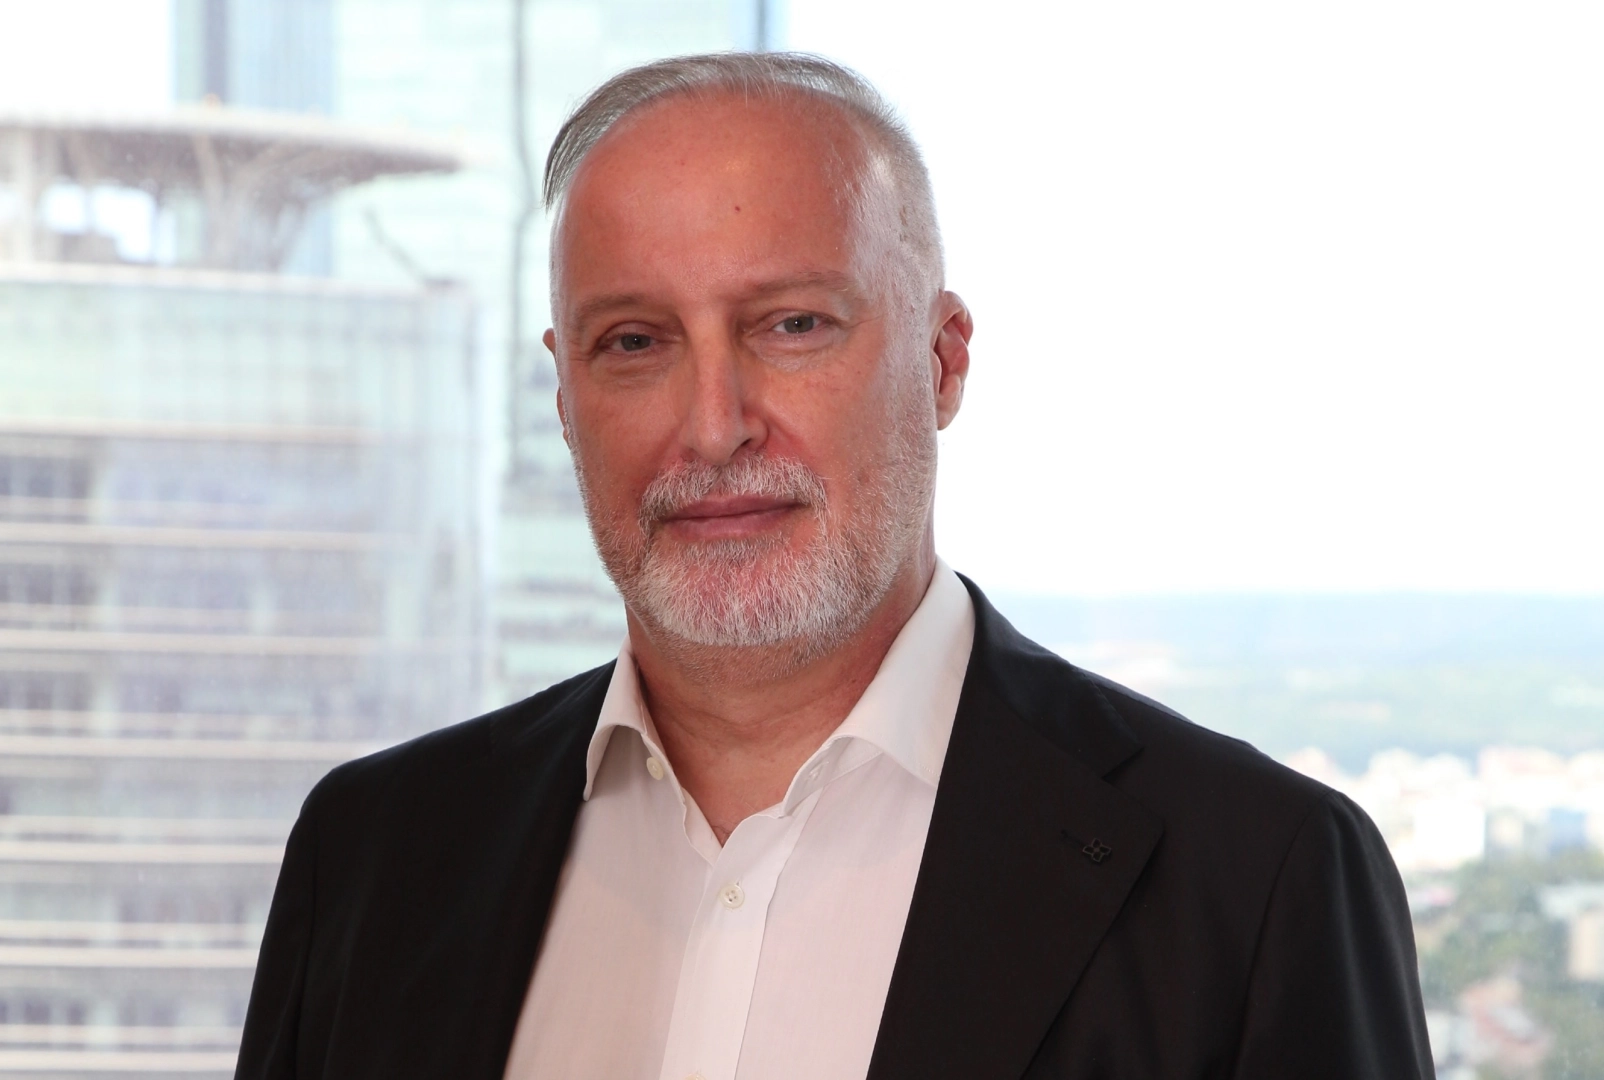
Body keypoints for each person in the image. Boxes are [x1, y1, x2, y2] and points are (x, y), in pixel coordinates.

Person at [235, 53, 1434, 1080]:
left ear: (942, 360)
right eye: (636, 342)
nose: (715, 426)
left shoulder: (1256, 882)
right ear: (563, 395)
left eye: (792, 325)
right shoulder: (376, 855)